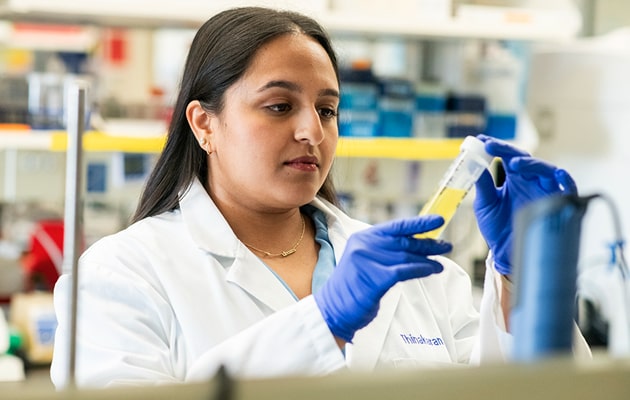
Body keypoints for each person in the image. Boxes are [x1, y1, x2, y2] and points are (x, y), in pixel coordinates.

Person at [50, 6, 589, 388]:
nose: (313, 130)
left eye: (327, 109)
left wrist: (527, 278)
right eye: (280, 106)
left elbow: (523, 389)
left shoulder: (418, 273)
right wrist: (322, 323)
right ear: (203, 123)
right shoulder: (121, 276)